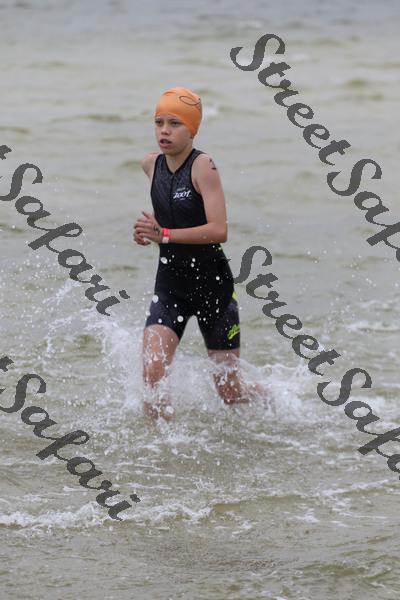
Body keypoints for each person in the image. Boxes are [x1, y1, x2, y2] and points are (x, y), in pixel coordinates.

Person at [133, 86, 266, 420]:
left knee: (230, 392)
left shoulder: (203, 166)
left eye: (175, 123)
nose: (164, 131)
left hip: (212, 288)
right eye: (159, 122)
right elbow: (170, 220)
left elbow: (219, 229)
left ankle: (275, 400)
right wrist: (149, 232)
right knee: (152, 374)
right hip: (171, 286)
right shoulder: (150, 165)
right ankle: (158, 445)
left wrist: (164, 235)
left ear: (192, 129)